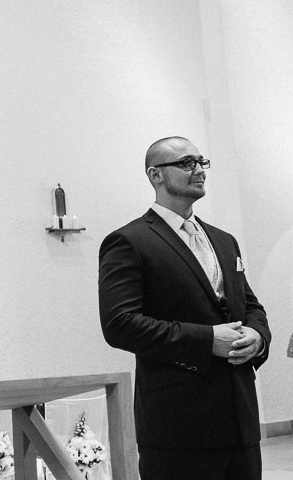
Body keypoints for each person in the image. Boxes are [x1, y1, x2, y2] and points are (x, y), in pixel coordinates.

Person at [98, 136, 271, 480]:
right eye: (186, 163)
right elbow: (120, 323)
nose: (198, 170)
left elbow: (249, 305)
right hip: (179, 424)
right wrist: (207, 339)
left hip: (241, 420)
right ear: (155, 175)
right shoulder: (130, 241)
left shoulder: (224, 240)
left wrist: (257, 336)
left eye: (201, 162)